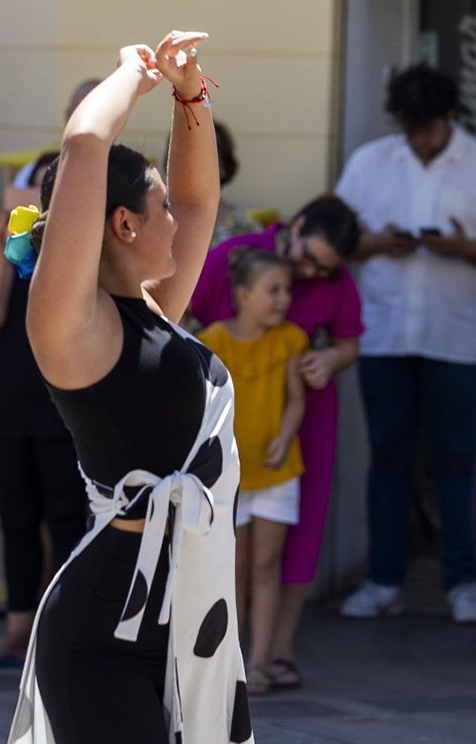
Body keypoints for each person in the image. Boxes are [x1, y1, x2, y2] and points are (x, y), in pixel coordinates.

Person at [8, 33, 254, 744]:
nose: (177, 220)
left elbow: (199, 196)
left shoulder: (153, 312)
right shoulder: (73, 329)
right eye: (158, 209)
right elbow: (84, 143)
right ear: (120, 223)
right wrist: (131, 71)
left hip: (189, 618)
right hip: (101, 636)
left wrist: (188, 94)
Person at [189, 195, 364, 688]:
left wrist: (330, 360)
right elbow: (187, 317)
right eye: (308, 257)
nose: (308, 274)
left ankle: (275, 652)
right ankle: (232, 656)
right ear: (297, 223)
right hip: (234, 424)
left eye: (322, 269)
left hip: (302, 421)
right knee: (237, 554)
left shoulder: (331, 282)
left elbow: (349, 341)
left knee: (297, 537)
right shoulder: (237, 256)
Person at [333, 65, 476, 624]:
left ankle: (463, 581)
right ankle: (383, 579)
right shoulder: (370, 161)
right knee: (387, 457)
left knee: (457, 462)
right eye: (411, 129)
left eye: (429, 130)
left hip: (457, 335)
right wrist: (371, 242)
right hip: (385, 334)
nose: (419, 140)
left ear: (449, 119)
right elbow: (337, 235)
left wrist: (463, 249)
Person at [0, 209, 87, 670]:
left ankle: (65, 630)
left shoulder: (78, 254)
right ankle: (18, 632)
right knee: (16, 520)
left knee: (65, 520)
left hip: (63, 403)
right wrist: (4, 247)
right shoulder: (16, 256)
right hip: (11, 402)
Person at [197, 249, 307, 694]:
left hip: (279, 473)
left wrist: (284, 435)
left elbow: (296, 399)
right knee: (234, 567)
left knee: (267, 566)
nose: (283, 299)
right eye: (273, 290)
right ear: (243, 295)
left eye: (287, 290)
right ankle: (232, 663)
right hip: (230, 476)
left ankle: (261, 661)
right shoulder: (213, 341)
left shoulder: (291, 340)